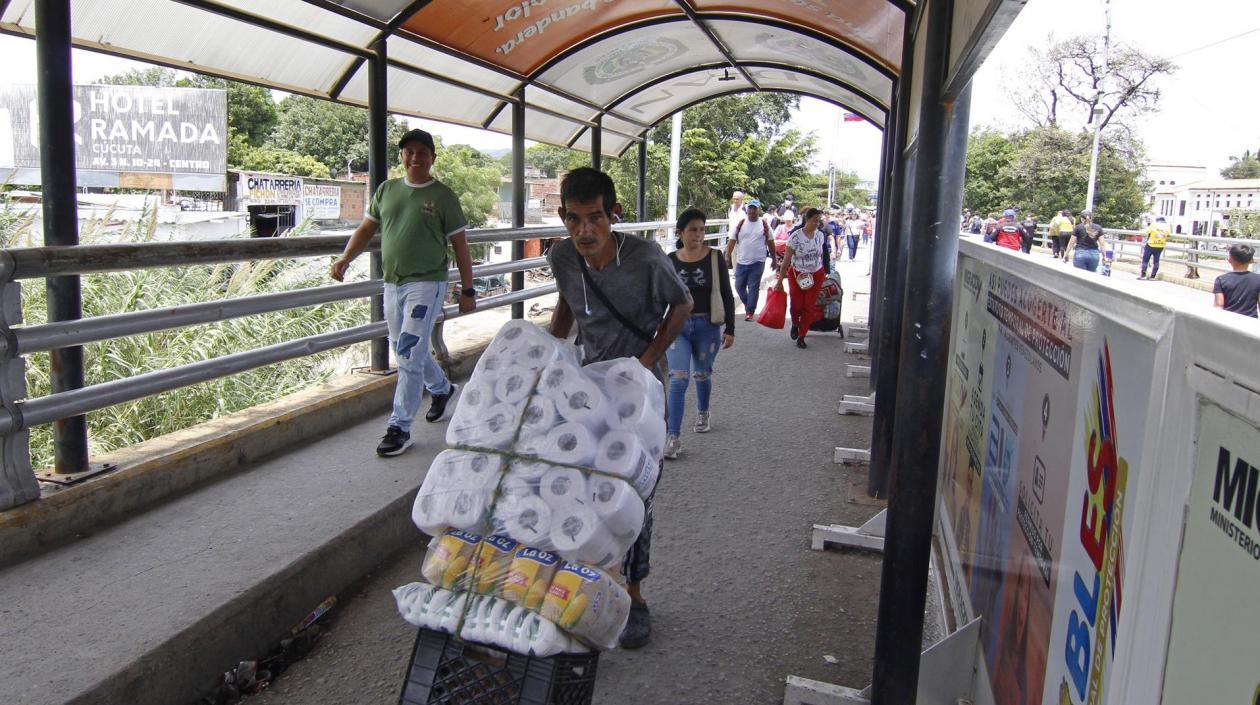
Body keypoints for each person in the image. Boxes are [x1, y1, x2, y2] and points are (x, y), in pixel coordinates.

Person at [545, 167, 693, 649]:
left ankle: (634, 595)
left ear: (614, 215)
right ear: (562, 217)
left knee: (635, 495)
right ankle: (588, 584)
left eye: (595, 218)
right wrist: (548, 353)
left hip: (640, 395)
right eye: (574, 219)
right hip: (587, 390)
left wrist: (647, 361)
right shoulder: (562, 256)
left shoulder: (647, 257)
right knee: (580, 486)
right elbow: (568, 305)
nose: (584, 230)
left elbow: (684, 303)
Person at [331, 128, 474, 457]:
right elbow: (366, 228)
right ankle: (440, 389)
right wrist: (345, 258)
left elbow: (461, 247)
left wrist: (467, 290)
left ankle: (400, 427)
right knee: (406, 347)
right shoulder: (387, 190)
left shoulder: (443, 197)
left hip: (427, 283)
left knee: (407, 353)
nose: (415, 157)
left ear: (432, 158)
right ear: (402, 156)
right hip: (392, 283)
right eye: (409, 151)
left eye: (422, 152)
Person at [665, 208, 735, 459]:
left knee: (702, 375)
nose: (698, 234)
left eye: (702, 229)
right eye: (693, 229)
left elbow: (726, 294)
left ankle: (703, 412)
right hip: (677, 327)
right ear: (680, 232)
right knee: (678, 378)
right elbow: (662, 296)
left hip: (708, 327)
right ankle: (672, 437)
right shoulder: (670, 260)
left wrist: (731, 329)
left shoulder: (715, 258)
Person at [775, 207, 827, 349]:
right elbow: (786, 259)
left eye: (819, 221)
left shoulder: (820, 235)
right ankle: (795, 324)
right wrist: (779, 281)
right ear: (807, 219)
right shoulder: (795, 236)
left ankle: (802, 335)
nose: (817, 224)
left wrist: (826, 272)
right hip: (797, 274)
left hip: (815, 274)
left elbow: (823, 255)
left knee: (809, 306)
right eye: (814, 220)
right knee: (797, 304)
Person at [724, 200, 775, 320]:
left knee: (753, 286)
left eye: (754, 208)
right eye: (750, 208)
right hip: (741, 261)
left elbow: (771, 243)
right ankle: (748, 304)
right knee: (738, 286)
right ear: (747, 210)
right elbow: (731, 241)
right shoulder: (741, 224)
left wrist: (774, 259)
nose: (752, 211)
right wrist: (727, 256)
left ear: (758, 210)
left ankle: (750, 312)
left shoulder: (764, 225)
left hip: (758, 262)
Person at [1212, 244, 1260, 317]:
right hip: (1250, 322)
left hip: (1228, 321)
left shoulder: (1221, 280)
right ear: (1251, 261)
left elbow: (1219, 306)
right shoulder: (1258, 279)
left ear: (1230, 260)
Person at [1139, 216, 1170, 280]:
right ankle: (1152, 277)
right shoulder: (1167, 226)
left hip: (1151, 244)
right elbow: (1168, 235)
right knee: (1156, 261)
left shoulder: (1154, 224)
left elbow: (1147, 232)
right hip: (1160, 245)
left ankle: (1143, 275)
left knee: (1145, 260)